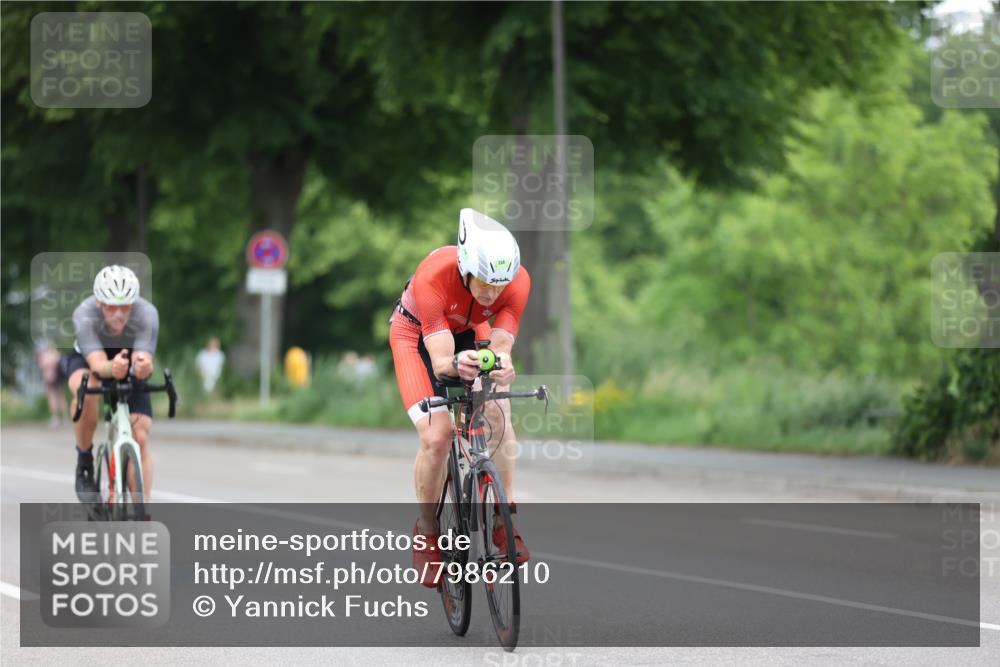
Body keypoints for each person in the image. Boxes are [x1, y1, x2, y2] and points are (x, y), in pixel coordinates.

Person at [389, 208, 531, 588]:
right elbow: (440, 362)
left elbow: (500, 345)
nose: (493, 292)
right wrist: (457, 362)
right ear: (466, 266)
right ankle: (427, 530)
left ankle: (505, 518)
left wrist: (501, 364)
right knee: (438, 436)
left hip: (469, 328)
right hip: (418, 336)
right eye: (484, 282)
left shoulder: (517, 283)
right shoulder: (434, 274)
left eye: (500, 285)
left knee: (499, 410)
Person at [64, 265, 159, 504]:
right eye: (111, 306)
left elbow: (144, 357)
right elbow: (97, 363)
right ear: (99, 303)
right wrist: (110, 368)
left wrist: (143, 365)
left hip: (126, 360)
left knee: (140, 435)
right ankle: (85, 460)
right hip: (91, 359)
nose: (119, 314)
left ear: (134, 304)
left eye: (125, 307)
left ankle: (142, 508)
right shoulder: (84, 313)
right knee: (86, 393)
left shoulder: (147, 313)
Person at [36, 342, 66, 427]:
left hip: (50, 379)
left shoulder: (45, 355)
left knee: (52, 397)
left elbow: (42, 365)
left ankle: (55, 417)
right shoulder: (58, 355)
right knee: (61, 397)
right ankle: (64, 418)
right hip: (60, 379)